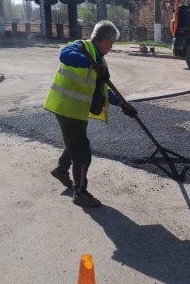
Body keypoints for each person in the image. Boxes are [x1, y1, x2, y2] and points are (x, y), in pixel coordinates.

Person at [43, 20, 138, 208]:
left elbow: (102, 89)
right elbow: (64, 55)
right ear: (103, 39)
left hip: (76, 110)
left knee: (75, 143)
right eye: (111, 43)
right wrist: (90, 63)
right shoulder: (82, 47)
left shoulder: (100, 59)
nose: (111, 47)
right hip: (66, 108)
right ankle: (80, 192)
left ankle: (62, 170)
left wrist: (121, 103)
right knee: (83, 152)